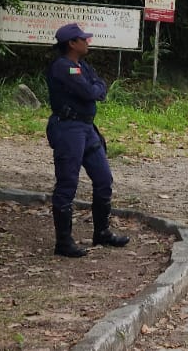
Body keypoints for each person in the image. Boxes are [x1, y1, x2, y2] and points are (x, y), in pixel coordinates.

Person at [44, 22, 129, 257]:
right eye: (83, 39)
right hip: (68, 129)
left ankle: (101, 232)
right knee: (67, 184)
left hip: (87, 128)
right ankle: (63, 242)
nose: (87, 41)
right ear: (72, 43)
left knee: (103, 179)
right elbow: (92, 92)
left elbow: (100, 87)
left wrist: (96, 87)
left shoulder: (82, 65)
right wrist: (95, 88)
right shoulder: (64, 67)